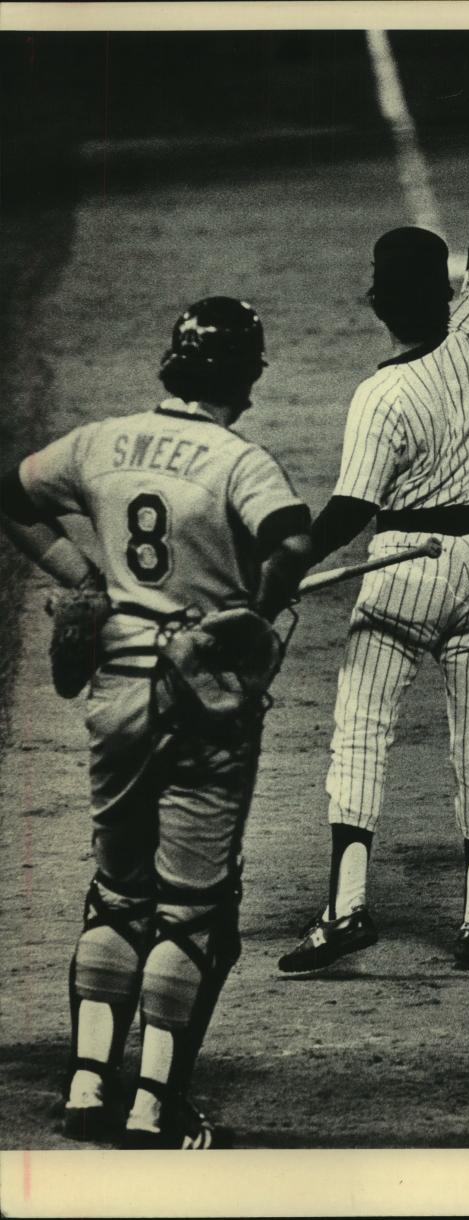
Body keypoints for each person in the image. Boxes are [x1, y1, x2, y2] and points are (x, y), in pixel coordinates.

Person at [0, 297, 312, 1149]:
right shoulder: (238, 461)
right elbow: (293, 539)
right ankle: (154, 1107)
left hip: (116, 694)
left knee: (119, 892)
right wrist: (255, 609)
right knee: (193, 913)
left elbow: (13, 492)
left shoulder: (100, 442)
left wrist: (83, 580)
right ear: (243, 376)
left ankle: (87, 1087)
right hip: (201, 701)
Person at [276, 47, 469, 978]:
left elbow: (346, 512)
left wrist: (279, 570)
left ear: (381, 301)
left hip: (402, 573)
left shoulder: (379, 397)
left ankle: (346, 910)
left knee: (362, 726)